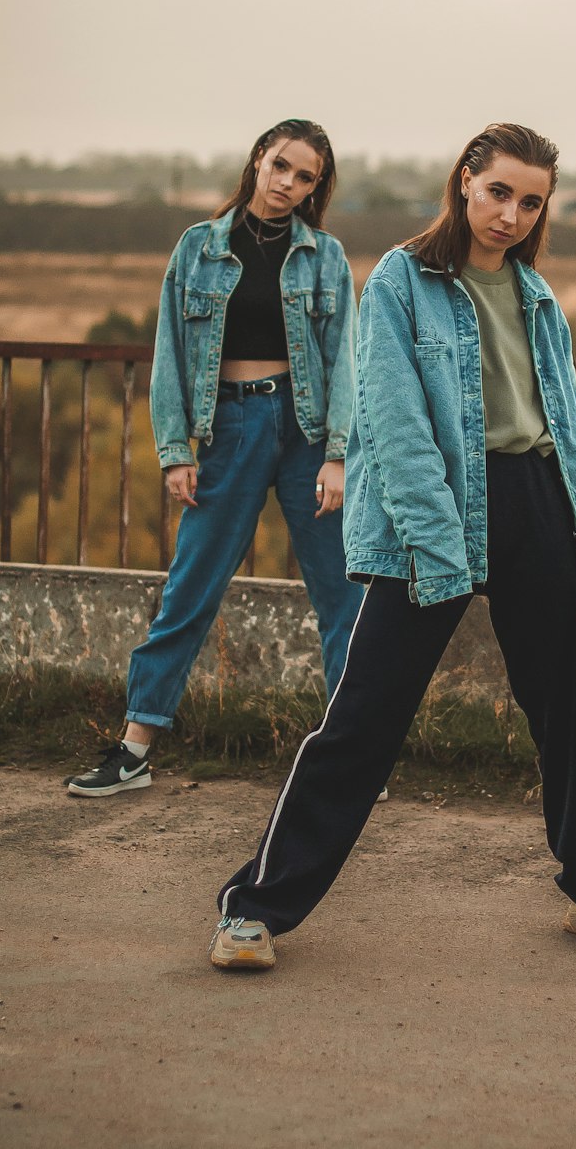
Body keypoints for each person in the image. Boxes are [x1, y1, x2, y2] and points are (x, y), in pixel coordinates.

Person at [208, 122, 576, 967]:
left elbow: (558, 423)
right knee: (364, 718)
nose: (511, 214)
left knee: (567, 718)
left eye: (530, 201)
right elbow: (397, 427)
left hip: (534, 503)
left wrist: (570, 526)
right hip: (436, 514)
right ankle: (253, 907)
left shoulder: (536, 294)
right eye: (498, 192)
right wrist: (442, 544)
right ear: (463, 182)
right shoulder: (403, 282)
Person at [65, 118, 365, 797]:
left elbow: (343, 360)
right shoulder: (199, 249)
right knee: (189, 588)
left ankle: (352, 758)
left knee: (343, 595)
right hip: (229, 427)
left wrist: (339, 454)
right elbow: (169, 352)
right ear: (258, 159)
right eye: (281, 166)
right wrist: (176, 451)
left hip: (307, 428)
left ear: (317, 186)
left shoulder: (325, 256)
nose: (288, 183)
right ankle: (135, 748)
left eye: (306, 176)